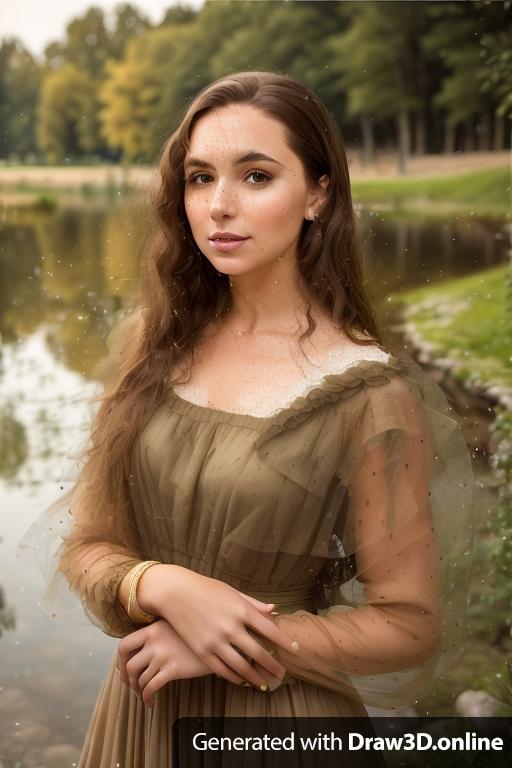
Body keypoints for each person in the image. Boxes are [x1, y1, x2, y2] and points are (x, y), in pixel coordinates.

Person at [18, 71, 475, 767]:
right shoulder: (152, 346)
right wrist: (161, 585)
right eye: (200, 179)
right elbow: (89, 548)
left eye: (256, 177)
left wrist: (228, 640)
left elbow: (409, 627)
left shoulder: (369, 394)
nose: (219, 206)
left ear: (319, 193)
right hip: (141, 716)